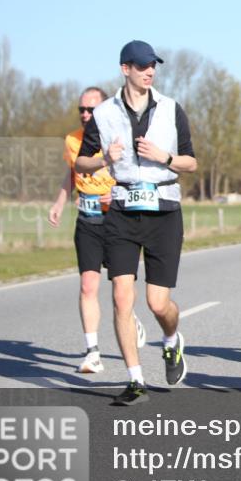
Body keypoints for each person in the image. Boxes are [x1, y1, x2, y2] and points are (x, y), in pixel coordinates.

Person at [76, 40, 198, 405]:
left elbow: (191, 163)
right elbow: (81, 163)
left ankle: (172, 341)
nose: (150, 71)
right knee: (120, 297)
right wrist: (102, 160)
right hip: (123, 210)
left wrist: (165, 156)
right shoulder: (104, 114)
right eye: (143, 65)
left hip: (164, 210)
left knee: (158, 303)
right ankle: (134, 380)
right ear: (124, 68)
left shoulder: (172, 110)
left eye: (154, 66)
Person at [49, 87, 146, 374]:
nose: (85, 114)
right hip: (87, 221)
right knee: (88, 285)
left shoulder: (120, 136)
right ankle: (92, 352)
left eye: (91, 110)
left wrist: (116, 192)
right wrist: (59, 201)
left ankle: (129, 317)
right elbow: (72, 172)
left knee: (121, 289)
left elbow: (139, 175)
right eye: (81, 109)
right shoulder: (72, 140)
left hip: (119, 219)